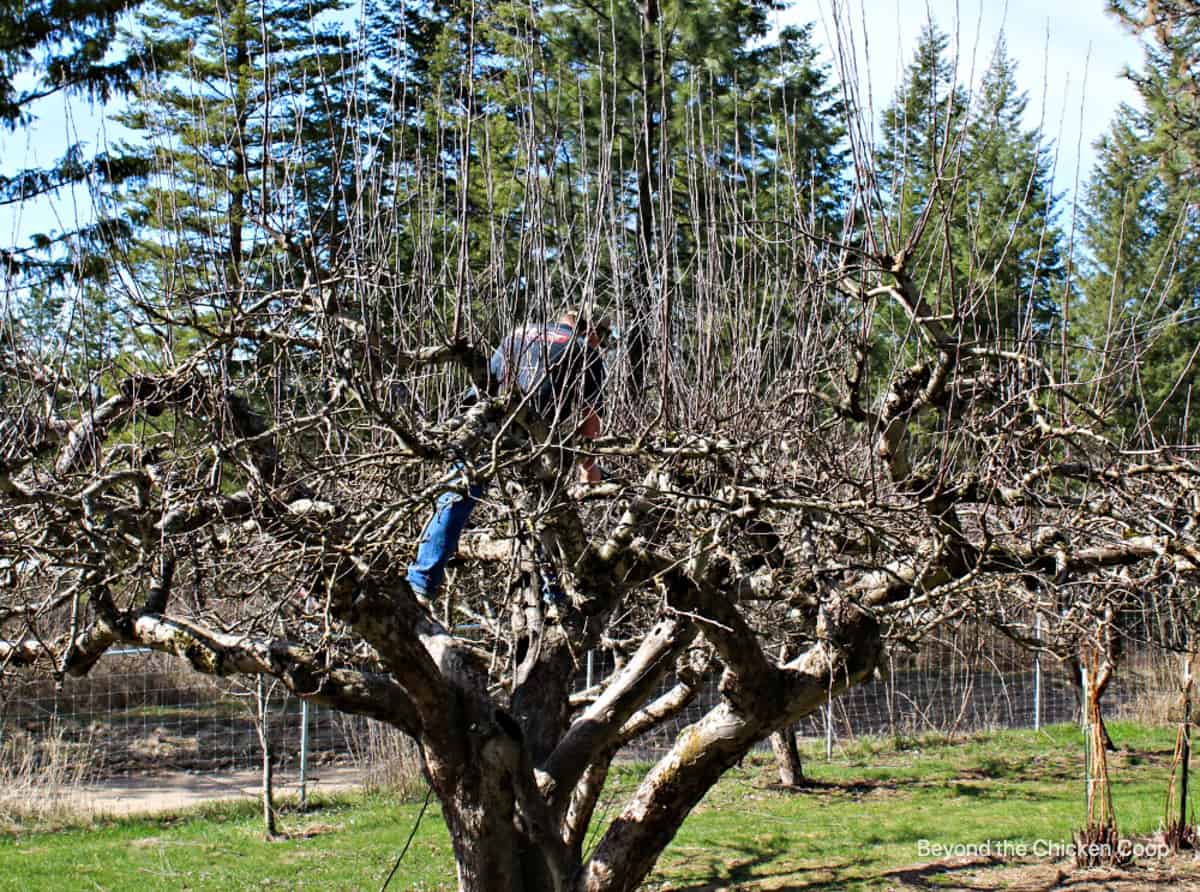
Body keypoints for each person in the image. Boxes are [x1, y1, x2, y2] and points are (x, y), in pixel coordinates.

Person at [405, 308, 609, 603]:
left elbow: (483, 384)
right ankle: (554, 595)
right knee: (544, 509)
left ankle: (422, 581)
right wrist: (588, 468)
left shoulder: (519, 333)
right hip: (525, 438)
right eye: (601, 340)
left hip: (479, 423)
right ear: (593, 332)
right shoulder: (586, 353)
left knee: (454, 498)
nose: (600, 346)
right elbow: (591, 421)